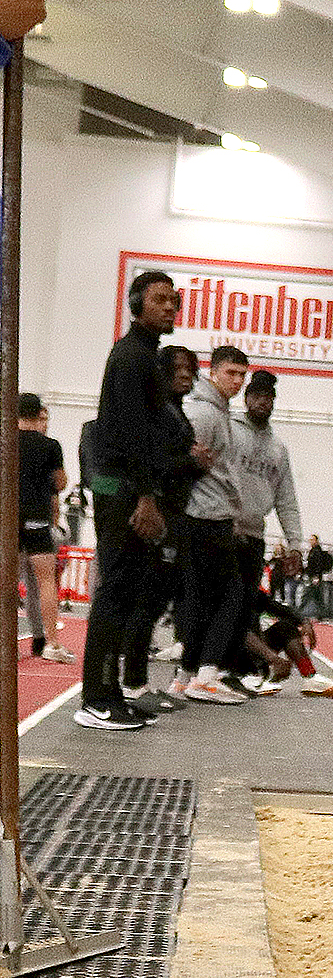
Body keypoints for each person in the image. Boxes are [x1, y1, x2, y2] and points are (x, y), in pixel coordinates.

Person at [77, 271, 180, 730]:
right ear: (135, 306)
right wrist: (146, 495)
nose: (169, 307)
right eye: (159, 300)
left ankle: (111, 692)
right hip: (123, 491)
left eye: (174, 301)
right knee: (115, 592)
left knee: (129, 591)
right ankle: (95, 701)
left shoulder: (147, 357)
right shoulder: (130, 357)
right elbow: (131, 432)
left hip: (132, 489)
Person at [176, 345, 252, 705]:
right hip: (206, 517)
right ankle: (206, 675)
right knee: (231, 595)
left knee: (199, 599)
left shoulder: (218, 412)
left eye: (242, 375)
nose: (237, 381)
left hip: (211, 515)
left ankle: (187, 675)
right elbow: (180, 453)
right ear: (213, 371)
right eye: (230, 373)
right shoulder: (204, 413)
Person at [131, 346, 205, 714]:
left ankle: (136, 681)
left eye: (190, 368)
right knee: (145, 600)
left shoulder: (176, 412)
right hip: (158, 511)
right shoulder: (158, 411)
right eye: (177, 368)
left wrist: (196, 463)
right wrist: (191, 461)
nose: (185, 374)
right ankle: (133, 683)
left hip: (176, 511)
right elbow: (153, 459)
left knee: (159, 599)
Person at [228, 368, 304, 694]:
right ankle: (217, 668)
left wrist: (296, 544)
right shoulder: (230, 431)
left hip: (255, 537)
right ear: (246, 399)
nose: (263, 402)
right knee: (229, 606)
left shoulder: (278, 449)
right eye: (257, 395)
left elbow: (287, 499)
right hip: (224, 532)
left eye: (269, 397)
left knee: (247, 605)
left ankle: (307, 676)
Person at [17, 393, 72, 664]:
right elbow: (60, 483)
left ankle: (8, 645)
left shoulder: (6, 441)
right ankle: (51, 643)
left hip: (8, 521)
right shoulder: (50, 445)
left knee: (6, 584)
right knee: (46, 582)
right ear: (38, 413)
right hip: (37, 519)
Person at [301, 533, 333, 618]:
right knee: (316, 595)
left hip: (315, 576)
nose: (310, 542)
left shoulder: (317, 551)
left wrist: (316, 576)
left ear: (316, 541)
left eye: (312, 540)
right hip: (312, 576)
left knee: (312, 595)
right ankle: (322, 614)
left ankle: (301, 611)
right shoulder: (312, 550)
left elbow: (317, 564)